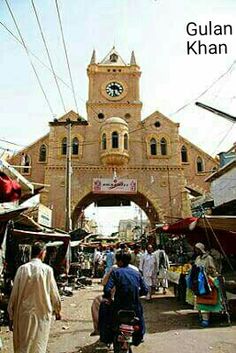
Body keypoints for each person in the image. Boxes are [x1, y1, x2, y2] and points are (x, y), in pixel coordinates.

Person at [7, 241, 61, 353]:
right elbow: (54, 293)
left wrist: (11, 316)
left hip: (23, 314)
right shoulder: (47, 270)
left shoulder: (22, 269)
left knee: (23, 345)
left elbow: (14, 295)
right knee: (38, 345)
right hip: (42, 315)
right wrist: (57, 310)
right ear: (42, 253)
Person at [103, 251, 148, 345]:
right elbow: (145, 290)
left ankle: (106, 338)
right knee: (140, 319)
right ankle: (140, 337)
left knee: (106, 314)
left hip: (119, 306)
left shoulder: (116, 272)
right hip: (135, 306)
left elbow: (107, 289)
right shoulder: (137, 273)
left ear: (120, 262)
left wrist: (109, 298)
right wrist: (135, 294)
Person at [192, 242, 222, 328]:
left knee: (206, 301)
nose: (196, 250)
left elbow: (213, 269)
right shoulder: (197, 258)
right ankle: (202, 317)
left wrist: (206, 271)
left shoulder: (208, 258)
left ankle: (206, 320)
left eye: (197, 249)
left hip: (206, 282)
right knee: (199, 300)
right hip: (198, 282)